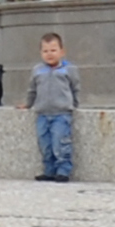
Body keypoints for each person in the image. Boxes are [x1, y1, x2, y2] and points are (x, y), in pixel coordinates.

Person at [27, 29, 81, 183]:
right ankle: (49, 170)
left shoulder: (68, 69)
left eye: (53, 50)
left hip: (61, 114)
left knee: (60, 143)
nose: (49, 54)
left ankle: (63, 171)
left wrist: (74, 104)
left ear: (62, 51)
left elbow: (75, 87)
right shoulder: (38, 70)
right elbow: (32, 90)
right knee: (45, 144)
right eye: (45, 51)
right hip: (42, 113)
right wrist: (28, 104)